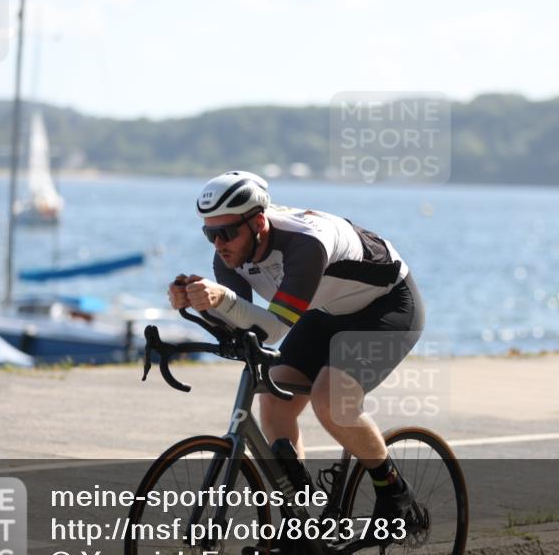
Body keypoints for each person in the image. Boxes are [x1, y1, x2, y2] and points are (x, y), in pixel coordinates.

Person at [168, 170, 425, 527]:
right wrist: (197, 305)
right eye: (210, 234)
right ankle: (301, 518)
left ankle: (393, 489)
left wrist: (221, 299)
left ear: (258, 223)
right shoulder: (228, 257)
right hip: (324, 310)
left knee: (331, 400)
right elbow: (241, 326)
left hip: (387, 305)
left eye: (226, 233)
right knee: (275, 398)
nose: (218, 244)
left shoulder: (305, 245)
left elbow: (272, 330)